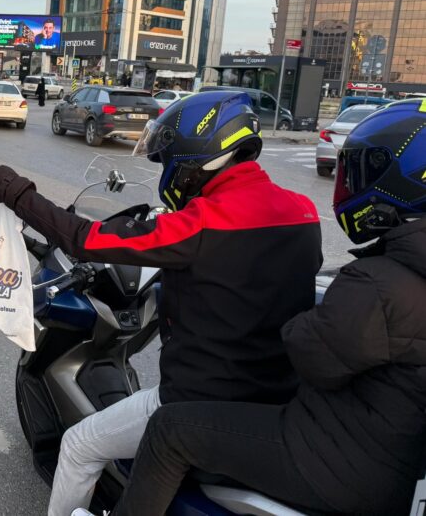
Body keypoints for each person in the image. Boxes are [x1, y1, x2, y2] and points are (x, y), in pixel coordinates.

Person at [0, 90, 322, 516]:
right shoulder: (304, 212)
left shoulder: (202, 222)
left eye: (167, 160)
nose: (166, 170)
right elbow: (250, 281)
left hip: (197, 401)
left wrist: (16, 192)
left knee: (79, 445)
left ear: (195, 158)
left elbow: (84, 240)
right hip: (274, 402)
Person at [117, 98, 426, 516]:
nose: (350, 182)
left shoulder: (379, 281)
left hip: (334, 461)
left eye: (360, 170)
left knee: (168, 430)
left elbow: (311, 357)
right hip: (391, 457)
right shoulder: (398, 267)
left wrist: (293, 317)